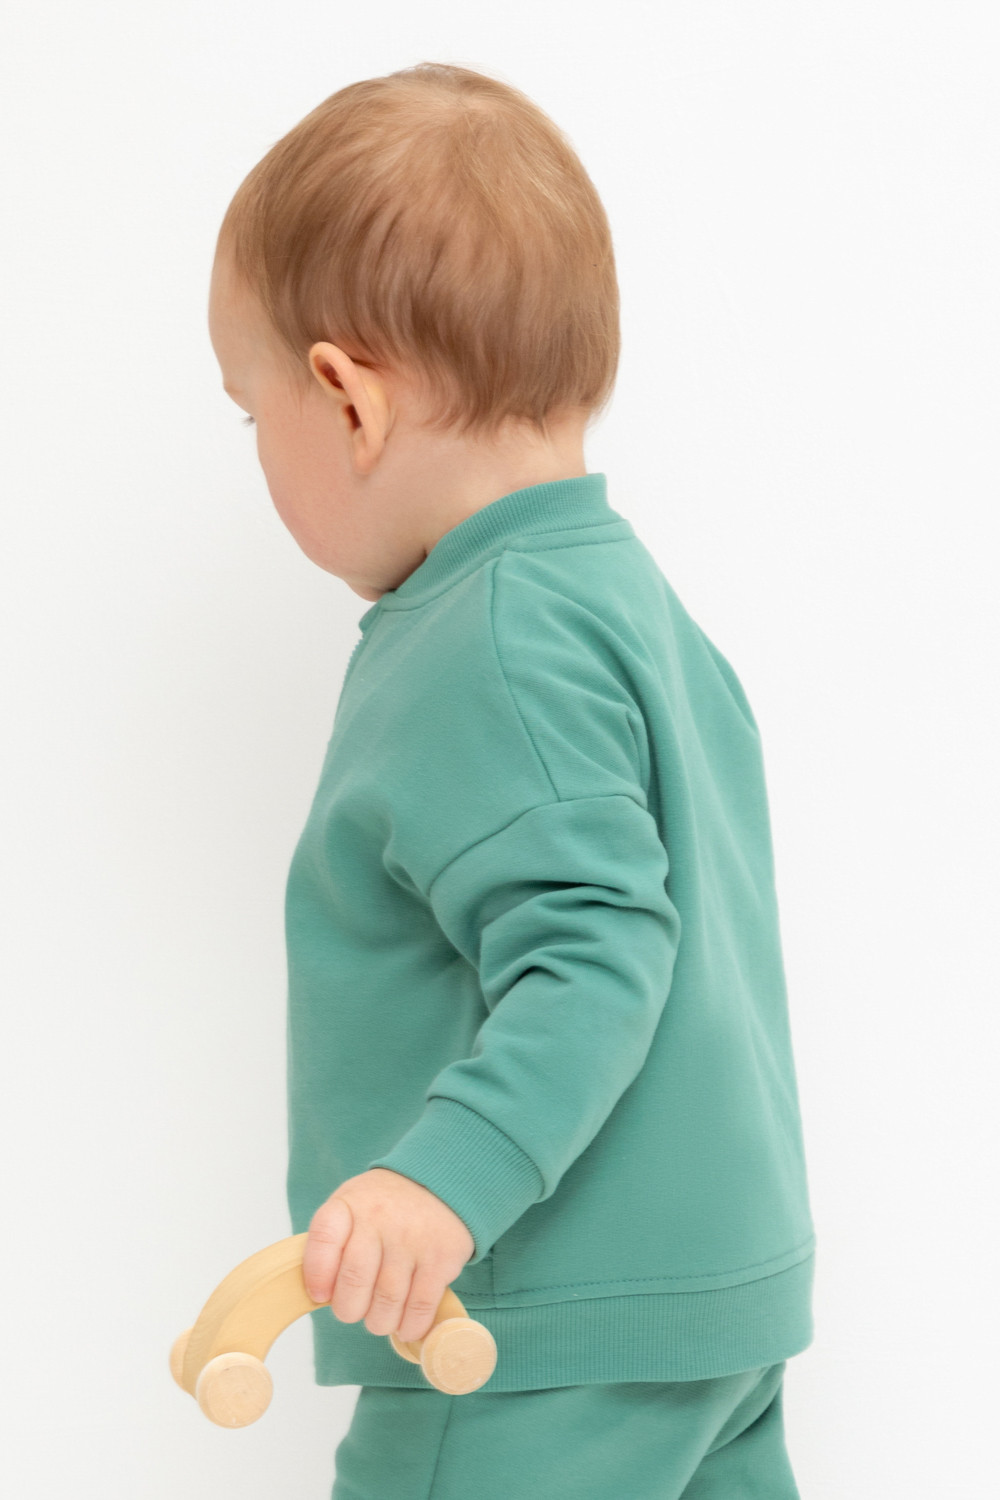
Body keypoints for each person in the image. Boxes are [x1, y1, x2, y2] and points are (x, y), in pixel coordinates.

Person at [207, 60, 816, 1500]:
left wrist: (442, 1183)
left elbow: (598, 947)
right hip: (711, 1310)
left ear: (346, 399)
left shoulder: (481, 637)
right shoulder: (625, 600)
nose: (255, 451)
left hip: (523, 1331)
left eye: (249, 413)